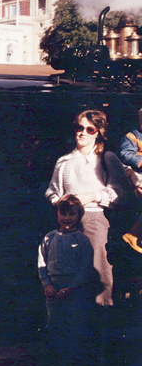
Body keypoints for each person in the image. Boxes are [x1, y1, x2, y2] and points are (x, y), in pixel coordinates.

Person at [45, 109, 127, 307]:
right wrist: (60, 202)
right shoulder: (63, 162)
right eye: (79, 127)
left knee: (98, 274)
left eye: (90, 129)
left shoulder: (107, 158)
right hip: (67, 224)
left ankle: (102, 325)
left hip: (94, 221)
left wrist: (92, 196)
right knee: (68, 275)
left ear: (98, 132)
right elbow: (51, 191)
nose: (83, 133)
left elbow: (120, 193)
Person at [37, 195, 95, 362]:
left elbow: (86, 266)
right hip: (53, 288)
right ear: (57, 214)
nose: (67, 218)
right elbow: (42, 261)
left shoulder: (82, 240)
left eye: (72, 214)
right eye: (63, 214)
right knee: (53, 321)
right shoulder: (49, 237)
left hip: (73, 289)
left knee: (74, 321)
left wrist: (73, 286)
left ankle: (74, 358)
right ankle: (55, 355)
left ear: (79, 216)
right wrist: (46, 283)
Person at [117, 106, 142, 252]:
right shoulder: (132, 136)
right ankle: (134, 234)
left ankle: (135, 233)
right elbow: (124, 154)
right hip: (137, 174)